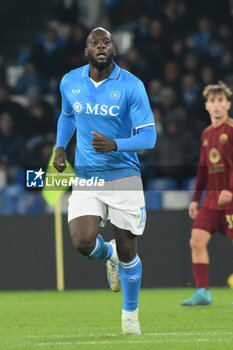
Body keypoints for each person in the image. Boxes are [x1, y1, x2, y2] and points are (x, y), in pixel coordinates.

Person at [53, 27, 156, 333]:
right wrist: (60, 146)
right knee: (82, 242)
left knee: (128, 250)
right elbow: (67, 115)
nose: (100, 46)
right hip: (87, 175)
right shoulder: (70, 81)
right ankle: (106, 254)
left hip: (123, 175)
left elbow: (149, 136)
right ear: (86, 52)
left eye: (106, 42)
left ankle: (130, 317)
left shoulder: (132, 86)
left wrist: (116, 144)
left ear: (114, 50)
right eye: (94, 43)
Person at [181, 81, 233, 306]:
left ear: (228, 104)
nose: (217, 105)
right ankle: (203, 291)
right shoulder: (206, 134)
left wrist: (230, 189)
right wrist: (195, 199)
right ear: (206, 106)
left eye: (220, 100)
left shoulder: (231, 131)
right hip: (211, 202)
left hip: (231, 200)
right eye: (212, 101)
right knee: (196, 241)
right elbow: (203, 169)